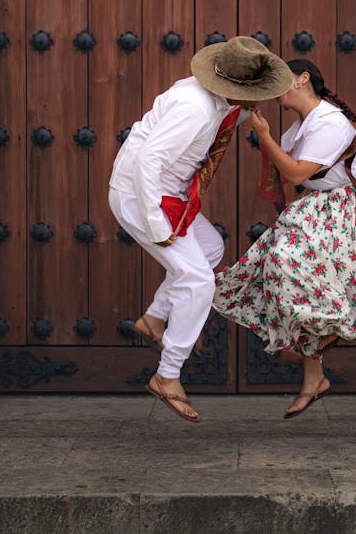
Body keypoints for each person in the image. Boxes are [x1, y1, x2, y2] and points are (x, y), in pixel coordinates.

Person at [213, 58, 356, 418]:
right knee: (280, 267)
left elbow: (293, 173)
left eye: (281, 82)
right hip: (321, 207)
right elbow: (295, 178)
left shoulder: (330, 123)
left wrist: (264, 136)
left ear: (303, 79)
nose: (276, 91)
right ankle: (314, 377)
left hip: (354, 211)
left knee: (288, 265)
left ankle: (333, 329)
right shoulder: (300, 126)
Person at [108, 36, 292, 422]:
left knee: (209, 249)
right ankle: (167, 375)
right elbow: (148, 161)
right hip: (143, 196)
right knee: (198, 280)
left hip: (170, 194)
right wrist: (157, 224)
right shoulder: (194, 107)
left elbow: (227, 118)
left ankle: (155, 317)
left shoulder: (217, 102)